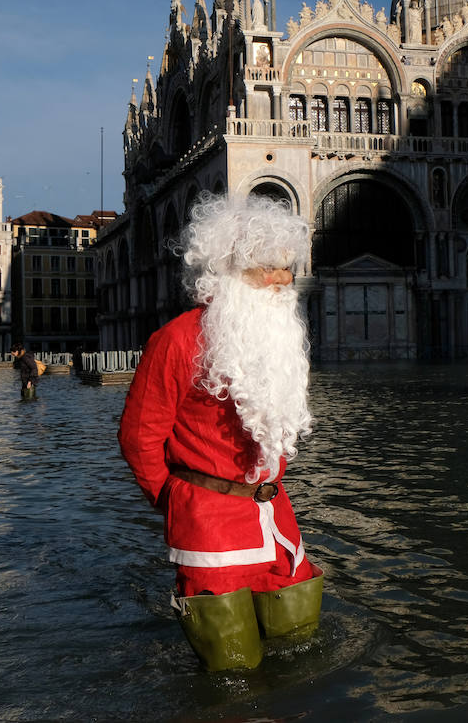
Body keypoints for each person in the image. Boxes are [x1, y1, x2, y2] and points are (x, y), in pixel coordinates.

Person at [118, 193, 322, 672]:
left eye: (286, 266)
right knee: (234, 675)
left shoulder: (278, 338)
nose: (283, 279)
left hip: (277, 522)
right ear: (228, 271)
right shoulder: (175, 340)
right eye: (266, 267)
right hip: (209, 527)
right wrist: (175, 501)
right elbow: (139, 438)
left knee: (302, 654)